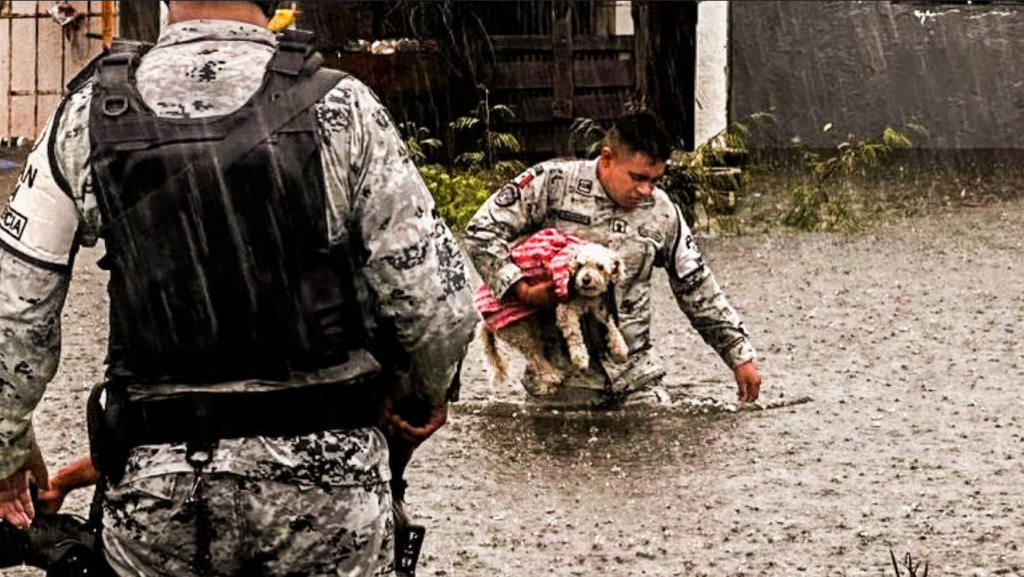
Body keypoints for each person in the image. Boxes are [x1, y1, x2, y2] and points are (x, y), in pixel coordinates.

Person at [0, 1, 478, 575]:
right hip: (331, 496)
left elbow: (13, 314)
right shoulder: (342, 107)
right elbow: (439, 310)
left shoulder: (86, 114)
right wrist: (421, 396)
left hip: (158, 498)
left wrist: (8, 449)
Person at [464, 110, 762, 408]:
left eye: (655, 180)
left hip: (637, 380)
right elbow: (481, 231)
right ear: (607, 158)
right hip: (563, 381)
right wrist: (521, 290)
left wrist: (739, 354)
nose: (646, 190)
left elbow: (695, 284)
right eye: (638, 178)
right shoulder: (552, 184)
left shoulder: (663, 212)